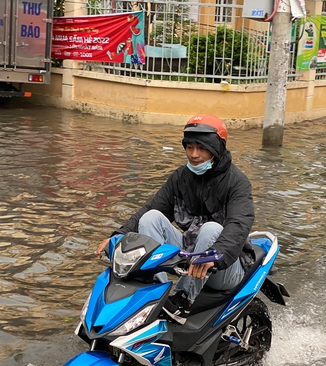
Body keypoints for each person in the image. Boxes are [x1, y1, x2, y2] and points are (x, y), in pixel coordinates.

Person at [96, 114, 255, 324]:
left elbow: (238, 225)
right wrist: (118, 236)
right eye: (189, 147)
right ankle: (155, 293)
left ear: (217, 148)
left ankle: (183, 300)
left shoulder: (238, 183)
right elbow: (151, 208)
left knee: (209, 229)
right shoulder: (181, 177)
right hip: (191, 255)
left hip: (225, 265)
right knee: (151, 218)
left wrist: (214, 258)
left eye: (201, 148)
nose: (194, 155)